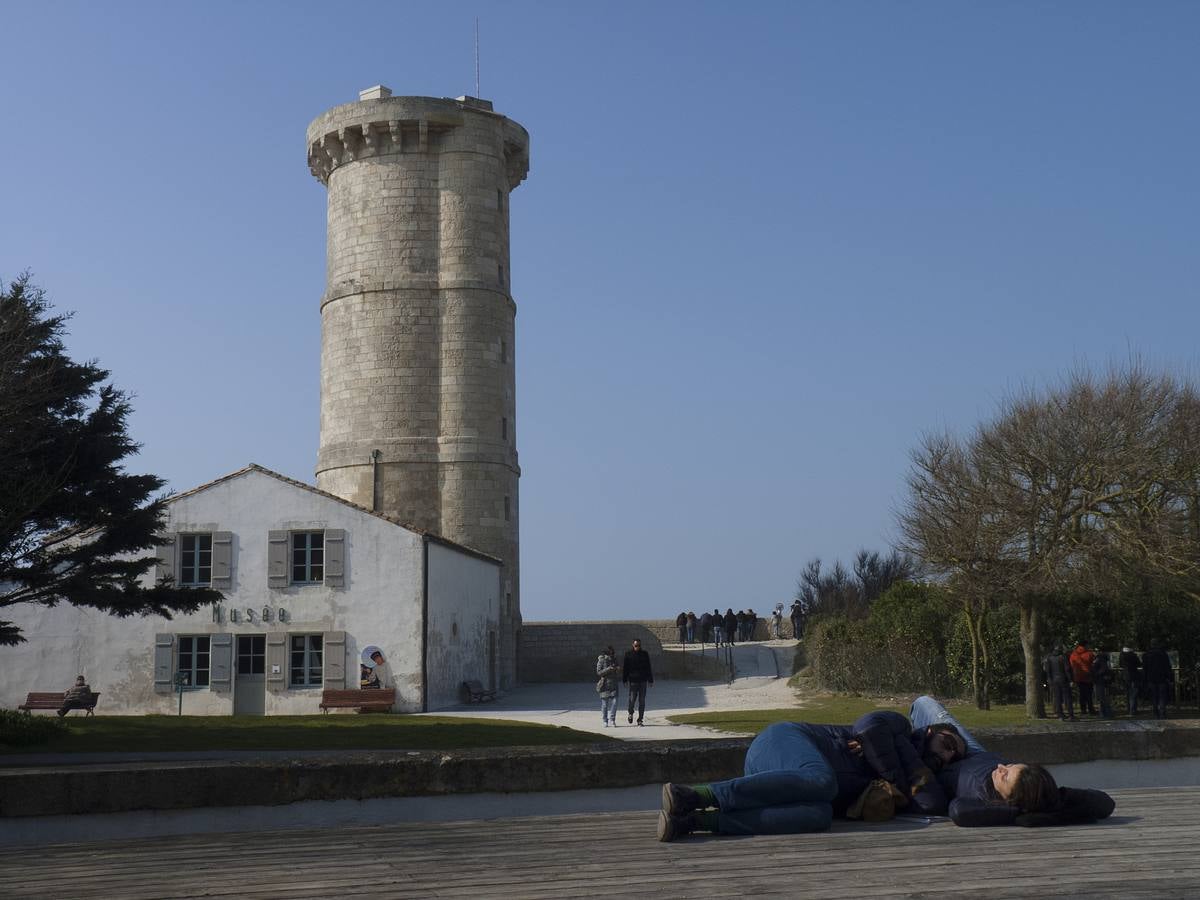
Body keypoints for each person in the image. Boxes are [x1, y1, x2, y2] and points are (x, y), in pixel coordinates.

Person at [657, 698, 1112, 840]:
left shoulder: (936, 771)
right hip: (788, 741)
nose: (947, 753)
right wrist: (914, 769)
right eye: (945, 741)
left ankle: (697, 822)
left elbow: (940, 801)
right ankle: (699, 793)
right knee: (822, 780)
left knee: (818, 815)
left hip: (789, 778)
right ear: (929, 731)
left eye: (953, 753)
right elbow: (870, 727)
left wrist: (1041, 812)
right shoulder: (896, 728)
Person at [622, 638, 653, 726]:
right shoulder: (628, 654)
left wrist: (650, 680)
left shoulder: (644, 654)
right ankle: (630, 713)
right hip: (633, 681)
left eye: (639, 646)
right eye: (636, 646)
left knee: (642, 701)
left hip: (643, 680)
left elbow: (648, 667)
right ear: (633, 645)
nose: (637, 647)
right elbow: (625, 668)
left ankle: (640, 719)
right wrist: (625, 680)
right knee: (632, 700)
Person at [1042, 644, 1076, 721]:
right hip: (1063, 679)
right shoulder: (1063, 657)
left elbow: (1048, 671)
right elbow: (1067, 669)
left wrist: (1049, 680)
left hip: (1054, 680)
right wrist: (1071, 680)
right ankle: (1071, 715)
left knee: (1057, 698)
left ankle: (1060, 715)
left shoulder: (1049, 658)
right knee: (1067, 698)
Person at [1143, 640, 1174, 719]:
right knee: (1162, 696)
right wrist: (1170, 678)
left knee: (1154, 696)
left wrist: (1145, 679)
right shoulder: (1163, 654)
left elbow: (1145, 668)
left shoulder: (1146, 655)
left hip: (1151, 678)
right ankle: (1162, 713)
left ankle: (1155, 713)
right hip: (1162, 678)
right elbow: (1167, 667)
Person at [1069, 639, 1096, 715]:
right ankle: (1091, 709)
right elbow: (1092, 664)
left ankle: (1083, 710)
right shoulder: (1089, 654)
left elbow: (1072, 664)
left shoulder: (1074, 654)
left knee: (1082, 694)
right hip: (1088, 676)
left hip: (1078, 676)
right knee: (1089, 694)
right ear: (1086, 645)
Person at [596, 645, 620, 727]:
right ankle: (605, 720)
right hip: (604, 685)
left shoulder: (614, 659)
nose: (612, 655)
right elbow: (599, 672)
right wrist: (609, 669)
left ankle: (612, 719)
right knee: (605, 705)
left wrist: (617, 669)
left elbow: (617, 668)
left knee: (615, 702)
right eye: (610, 653)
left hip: (614, 684)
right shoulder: (601, 660)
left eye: (613, 653)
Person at [1092, 645, 1114, 719]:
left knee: (1101, 698)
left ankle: (1103, 713)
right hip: (1104, 680)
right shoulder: (1105, 658)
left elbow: (1096, 669)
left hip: (1099, 680)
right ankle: (1107, 713)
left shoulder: (1098, 659)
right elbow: (1107, 669)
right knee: (1105, 698)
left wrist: (1097, 675)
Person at [1119, 645, 1142, 716]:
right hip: (1133, 675)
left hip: (1125, 676)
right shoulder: (1133, 655)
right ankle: (1133, 710)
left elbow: (1120, 665)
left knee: (1128, 693)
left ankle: (1129, 709)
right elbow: (1139, 664)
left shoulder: (1121, 655)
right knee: (1134, 693)